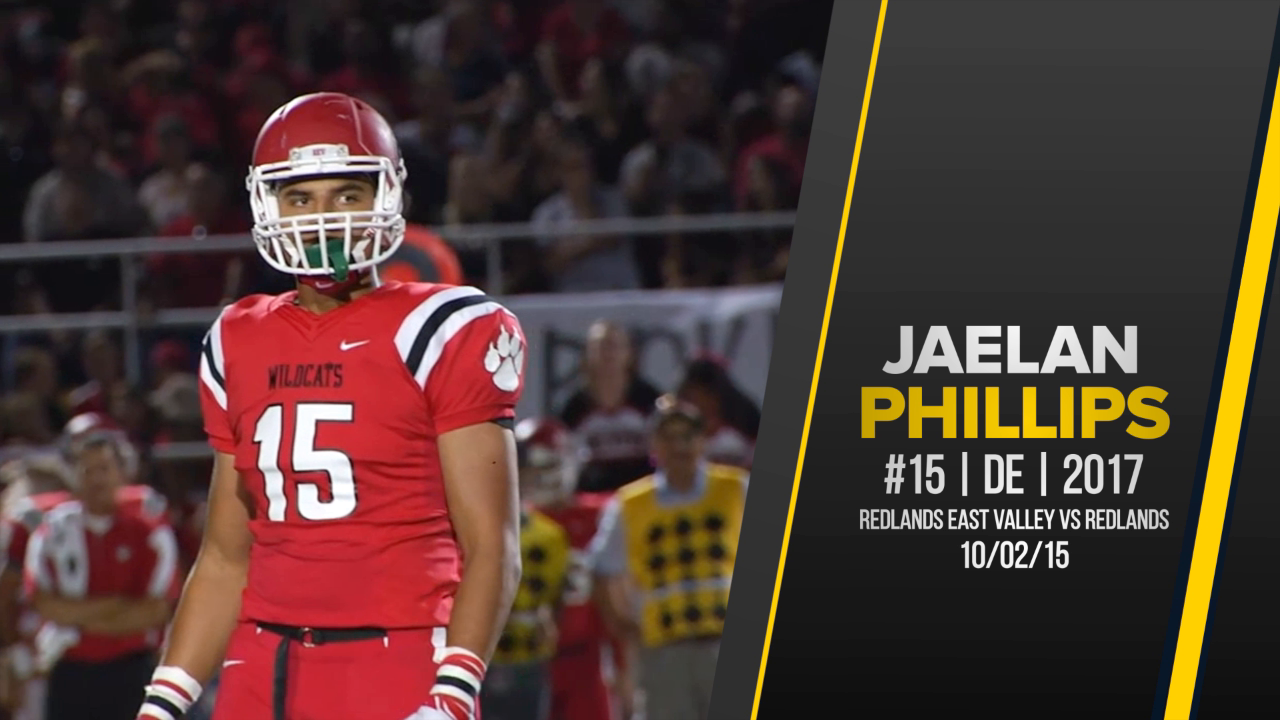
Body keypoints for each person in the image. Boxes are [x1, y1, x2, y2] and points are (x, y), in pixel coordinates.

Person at [135, 92, 527, 720]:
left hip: (396, 658)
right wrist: (164, 702)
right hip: (260, 664)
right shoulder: (236, 336)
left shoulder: (442, 326)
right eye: (300, 197)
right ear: (269, 204)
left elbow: (493, 545)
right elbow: (226, 555)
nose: (323, 219)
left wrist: (453, 692)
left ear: (386, 197)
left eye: (347, 195)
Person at [588, 396, 748, 720]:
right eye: (669, 438)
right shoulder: (630, 504)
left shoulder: (734, 489)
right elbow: (601, 567)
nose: (680, 446)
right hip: (664, 650)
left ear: (702, 441)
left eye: (687, 436)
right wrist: (622, 625)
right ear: (654, 446)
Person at [0, 415, 167, 720]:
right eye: (86, 467)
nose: (96, 478)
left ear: (122, 468)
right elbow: (26, 597)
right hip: (55, 662)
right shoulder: (44, 522)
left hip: (132, 666)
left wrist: (76, 619)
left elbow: (158, 609)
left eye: (103, 467)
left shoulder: (146, 522)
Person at [515, 417, 622, 720]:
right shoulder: (512, 522)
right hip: (524, 656)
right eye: (529, 470)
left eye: (545, 467)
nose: (536, 479)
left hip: (587, 654)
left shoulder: (606, 512)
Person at [481, 421, 573, 720]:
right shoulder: (472, 529)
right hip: (483, 658)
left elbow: (558, 600)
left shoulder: (551, 536)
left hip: (529, 658)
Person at [559, 320, 661, 494]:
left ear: (629, 353)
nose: (608, 353)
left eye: (614, 346)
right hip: (591, 498)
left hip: (644, 495)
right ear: (587, 355)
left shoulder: (649, 399)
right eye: (600, 347)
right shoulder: (574, 407)